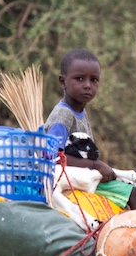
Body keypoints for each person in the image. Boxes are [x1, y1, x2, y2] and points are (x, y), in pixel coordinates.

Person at [46, 49, 116, 182]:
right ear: (62, 82)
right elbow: (52, 155)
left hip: (83, 177)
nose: (88, 86)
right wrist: (95, 165)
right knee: (135, 194)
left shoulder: (81, 112)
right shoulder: (63, 114)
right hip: (66, 180)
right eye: (79, 79)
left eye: (94, 80)